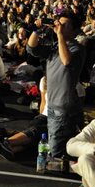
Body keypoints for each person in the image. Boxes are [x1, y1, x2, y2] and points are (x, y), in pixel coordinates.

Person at [27, 11, 85, 159]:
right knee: (58, 146)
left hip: (64, 108)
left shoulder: (77, 48)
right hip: (53, 105)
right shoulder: (54, 47)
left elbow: (66, 61)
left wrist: (59, 36)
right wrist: (36, 29)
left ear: (75, 30)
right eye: (59, 23)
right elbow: (32, 48)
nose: (60, 27)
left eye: (65, 25)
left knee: (56, 153)